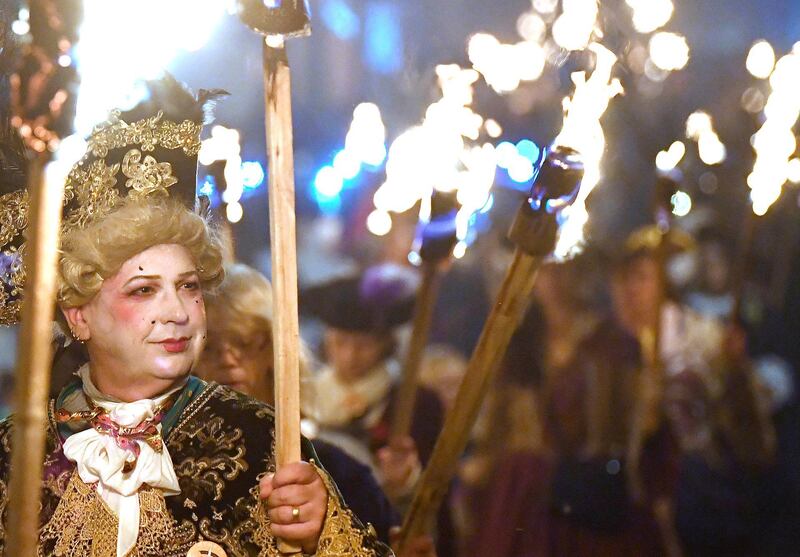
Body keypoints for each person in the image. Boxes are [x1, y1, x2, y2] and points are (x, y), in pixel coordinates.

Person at [0, 76, 390, 556]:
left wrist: (317, 538)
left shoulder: (262, 439)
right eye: (144, 290)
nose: (178, 312)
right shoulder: (16, 454)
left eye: (189, 286)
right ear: (78, 316)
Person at [462, 260, 663, 556]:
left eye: (563, 270)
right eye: (545, 271)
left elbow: (637, 431)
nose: (554, 281)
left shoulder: (612, 345)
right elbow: (495, 425)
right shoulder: (518, 344)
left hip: (585, 495)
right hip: (521, 494)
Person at [195, 262, 402, 546]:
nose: (228, 359)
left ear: (273, 349)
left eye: (245, 342)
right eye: (210, 347)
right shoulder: (169, 466)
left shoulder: (339, 473)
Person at [303, 265, 455, 556]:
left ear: (384, 343)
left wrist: (405, 480)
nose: (349, 355)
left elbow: (435, 493)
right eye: (340, 342)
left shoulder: (415, 403)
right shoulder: (304, 395)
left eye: (362, 345)